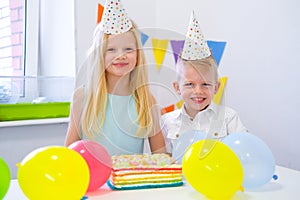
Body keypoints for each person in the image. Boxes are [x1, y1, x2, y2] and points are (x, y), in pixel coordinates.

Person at [65, 0, 166, 155]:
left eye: (128, 49)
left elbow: (160, 154)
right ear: (99, 55)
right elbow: (69, 153)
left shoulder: (145, 99)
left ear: (138, 54)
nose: (121, 56)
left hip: (130, 178)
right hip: (93, 178)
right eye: (111, 49)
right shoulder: (82, 97)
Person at [161, 11, 247, 155]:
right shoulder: (167, 122)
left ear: (216, 87)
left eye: (205, 84)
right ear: (177, 87)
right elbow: (163, 160)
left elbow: (243, 151)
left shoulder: (228, 118)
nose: (198, 91)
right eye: (190, 84)